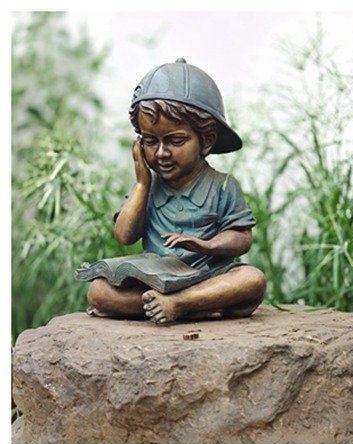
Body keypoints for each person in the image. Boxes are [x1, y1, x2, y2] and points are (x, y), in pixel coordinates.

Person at [85, 59, 266, 324]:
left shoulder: (223, 185)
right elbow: (124, 236)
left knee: (252, 279)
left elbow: (242, 238)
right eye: (150, 141)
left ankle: (179, 304)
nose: (161, 153)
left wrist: (206, 245)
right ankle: (197, 306)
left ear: (206, 140)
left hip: (207, 276)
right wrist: (142, 184)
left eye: (175, 140)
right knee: (98, 291)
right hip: (156, 279)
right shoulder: (146, 189)